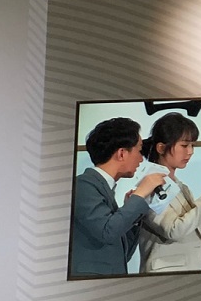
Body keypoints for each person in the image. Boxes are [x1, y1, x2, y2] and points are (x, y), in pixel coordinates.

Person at [138, 113, 201, 273]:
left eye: (192, 145)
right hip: (165, 277)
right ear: (161, 148)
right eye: (184, 145)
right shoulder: (149, 186)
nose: (190, 152)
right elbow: (174, 230)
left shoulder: (181, 187)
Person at [71, 117, 166, 277]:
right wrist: (140, 193)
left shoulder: (103, 187)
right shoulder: (83, 185)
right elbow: (107, 232)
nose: (141, 158)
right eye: (139, 150)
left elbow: (123, 253)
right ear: (122, 153)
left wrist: (133, 213)